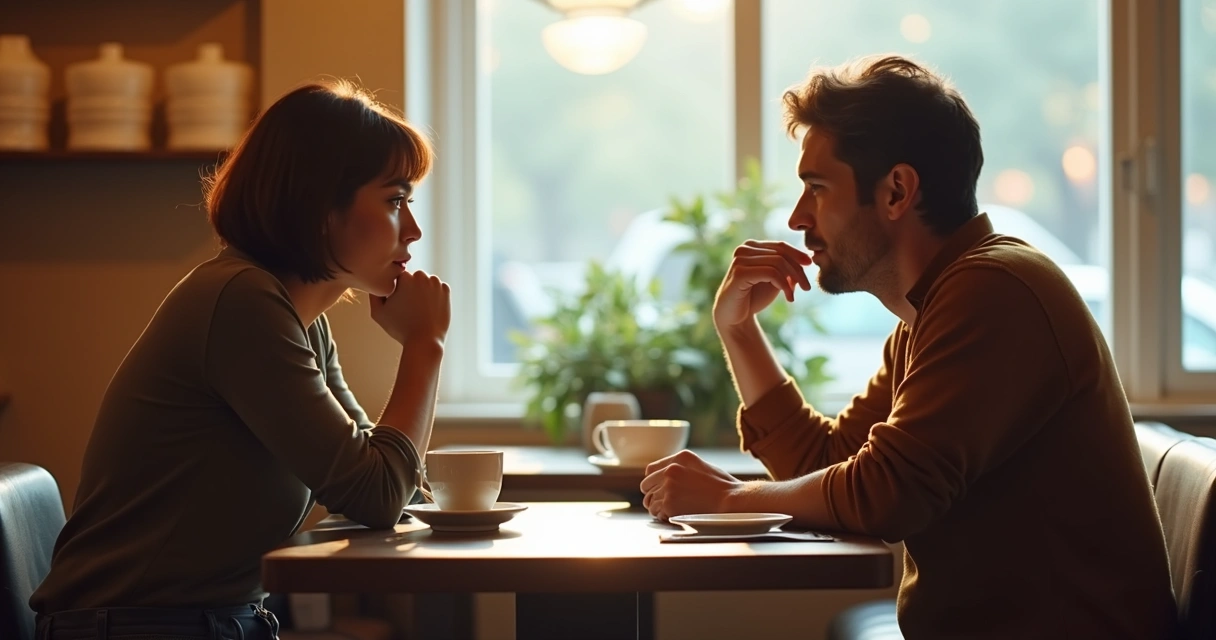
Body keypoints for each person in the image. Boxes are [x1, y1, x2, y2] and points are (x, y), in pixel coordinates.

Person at [640, 55, 1178, 638]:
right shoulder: (933, 311)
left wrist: (729, 499)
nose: (797, 218)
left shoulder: (995, 290)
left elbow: (887, 493)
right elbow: (830, 463)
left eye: (817, 188)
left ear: (896, 190)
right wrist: (739, 330)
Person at [30, 80, 448, 640]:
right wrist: (425, 347)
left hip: (202, 622)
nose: (413, 230)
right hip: (137, 628)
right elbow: (376, 493)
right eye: (395, 201)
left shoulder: (299, 321)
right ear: (320, 206)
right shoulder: (242, 303)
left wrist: (399, 471)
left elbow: (383, 484)